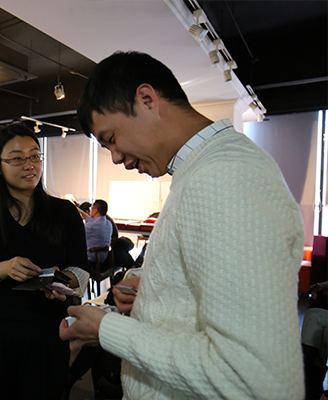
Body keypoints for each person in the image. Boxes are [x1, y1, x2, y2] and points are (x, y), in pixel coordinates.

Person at [59, 51, 305, 399]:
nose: (115, 157)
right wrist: (152, 285)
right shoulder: (202, 173)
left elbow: (255, 376)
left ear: (147, 100)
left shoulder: (225, 177)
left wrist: (108, 330)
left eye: (111, 138)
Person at [0, 122, 90, 400]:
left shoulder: (64, 212)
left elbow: (80, 269)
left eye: (35, 156)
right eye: (17, 158)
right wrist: (3, 269)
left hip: (47, 335)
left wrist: (59, 280)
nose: (29, 165)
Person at [77, 199, 113, 263]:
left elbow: (79, 238)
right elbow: (91, 221)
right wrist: (81, 212)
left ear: (95, 210)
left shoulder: (90, 225)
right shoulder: (109, 223)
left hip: (91, 256)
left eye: (91, 208)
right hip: (104, 256)